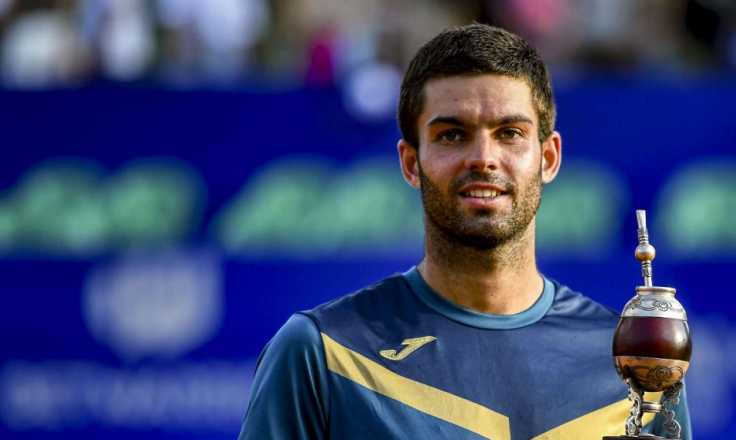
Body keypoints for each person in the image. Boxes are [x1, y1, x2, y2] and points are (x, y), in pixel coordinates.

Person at [238, 23, 692, 440]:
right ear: (411, 162)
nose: (483, 158)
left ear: (549, 157)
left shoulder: (637, 362)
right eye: (452, 135)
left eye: (510, 132)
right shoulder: (323, 353)